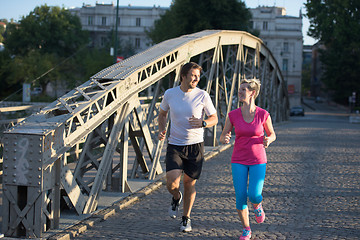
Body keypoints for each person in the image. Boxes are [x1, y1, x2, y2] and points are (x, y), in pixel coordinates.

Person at [158, 62, 218, 232]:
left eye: (198, 76)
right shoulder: (170, 94)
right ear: (183, 76)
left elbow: (214, 118)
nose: (196, 79)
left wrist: (203, 122)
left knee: (189, 184)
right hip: (175, 145)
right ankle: (176, 197)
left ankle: (186, 218)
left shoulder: (203, 95)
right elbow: (162, 114)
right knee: (172, 183)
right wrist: (162, 129)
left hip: (195, 146)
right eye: (193, 75)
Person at [219, 78, 276, 240]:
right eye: (239, 89)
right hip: (238, 159)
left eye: (244, 89)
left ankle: (258, 205)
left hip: (258, 159)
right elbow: (223, 135)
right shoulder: (233, 115)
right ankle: (246, 228)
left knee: (254, 195)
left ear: (253, 93)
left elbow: (272, 134)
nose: (240, 92)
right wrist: (225, 138)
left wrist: (268, 140)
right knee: (241, 196)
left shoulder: (263, 114)